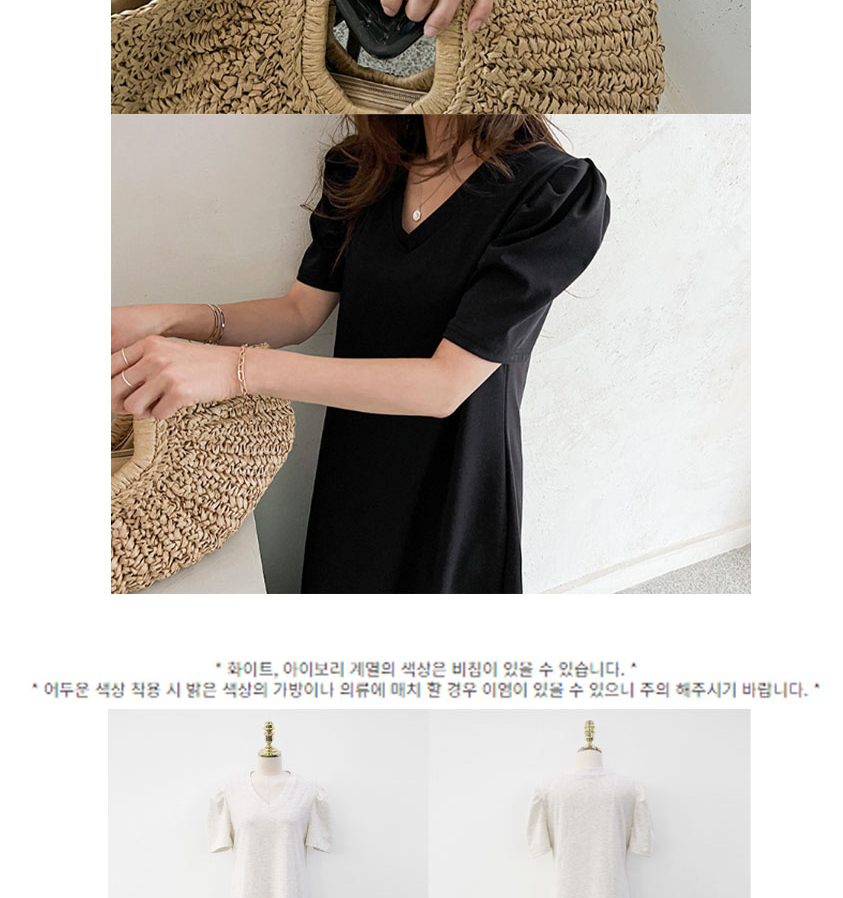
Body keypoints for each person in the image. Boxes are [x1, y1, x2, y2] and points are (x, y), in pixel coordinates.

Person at [110, 109, 610, 595]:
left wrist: (235, 370)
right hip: (356, 460)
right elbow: (299, 312)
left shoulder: (553, 192)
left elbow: (444, 385)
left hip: (454, 478)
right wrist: (165, 318)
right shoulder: (364, 167)